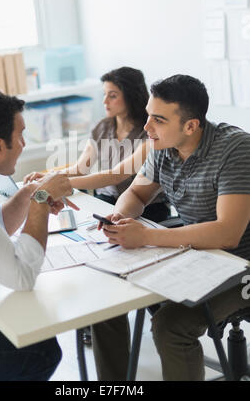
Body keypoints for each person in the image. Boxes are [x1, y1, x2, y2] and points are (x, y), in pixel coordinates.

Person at [98, 74, 250, 381]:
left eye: (158, 119)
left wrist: (148, 236)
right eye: (149, 114)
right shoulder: (162, 145)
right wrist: (120, 216)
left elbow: (226, 234)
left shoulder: (236, 149)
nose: (147, 127)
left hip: (241, 266)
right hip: (197, 255)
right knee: (104, 304)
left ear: (191, 125)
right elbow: (136, 193)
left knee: (171, 327)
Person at [0, 91, 79, 381]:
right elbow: (21, 275)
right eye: (21, 136)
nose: (23, 144)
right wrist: (41, 200)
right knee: (41, 351)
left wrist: (28, 194)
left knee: (30, 322)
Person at [24, 67, 170, 223]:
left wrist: (56, 183)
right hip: (105, 201)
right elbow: (80, 168)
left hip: (146, 209)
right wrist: (51, 175)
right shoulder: (102, 127)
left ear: (131, 96)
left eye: (112, 96)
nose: (105, 101)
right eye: (104, 94)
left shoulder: (150, 133)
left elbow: (116, 175)